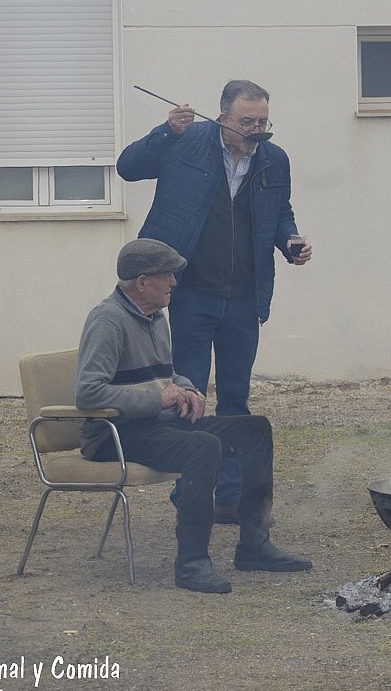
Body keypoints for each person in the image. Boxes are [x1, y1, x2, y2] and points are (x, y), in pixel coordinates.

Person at [116, 79, 311, 525]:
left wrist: (290, 242)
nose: (256, 131)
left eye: (263, 122)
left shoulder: (274, 158)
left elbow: (280, 212)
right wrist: (165, 131)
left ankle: (231, 497)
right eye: (247, 122)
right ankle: (191, 496)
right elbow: (128, 167)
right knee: (189, 397)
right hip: (191, 293)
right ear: (222, 118)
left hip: (245, 297)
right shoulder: (185, 140)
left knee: (236, 400)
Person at [75, 238, 312, 594]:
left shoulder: (155, 317)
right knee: (203, 446)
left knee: (255, 430)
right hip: (116, 435)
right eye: (167, 275)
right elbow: (88, 392)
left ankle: (254, 544)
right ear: (142, 282)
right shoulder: (108, 320)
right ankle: (191, 563)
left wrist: (187, 389)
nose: (174, 281)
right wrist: (158, 400)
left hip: (155, 425)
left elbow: (167, 375)